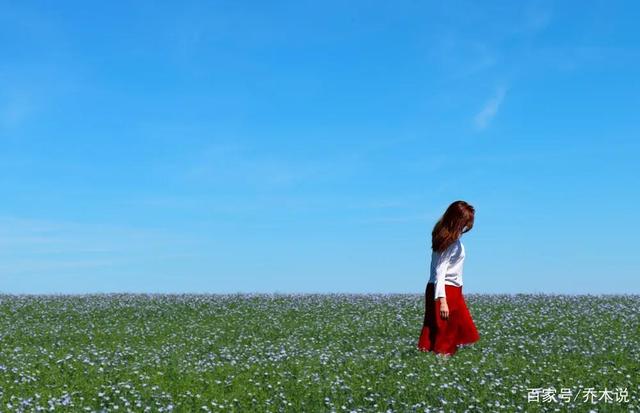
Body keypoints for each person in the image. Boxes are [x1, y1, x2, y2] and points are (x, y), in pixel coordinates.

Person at [417, 200, 480, 356]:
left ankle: (433, 359)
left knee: (449, 327)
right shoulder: (449, 241)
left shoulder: (445, 237)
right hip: (445, 289)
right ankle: (440, 361)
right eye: (464, 223)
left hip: (448, 288)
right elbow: (440, 271)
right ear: (456, 219)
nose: (465, 227)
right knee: (445, 329)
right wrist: (442, 300)